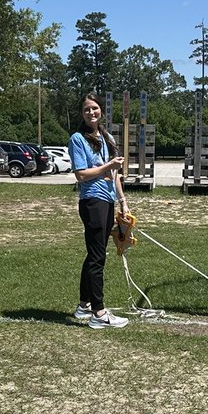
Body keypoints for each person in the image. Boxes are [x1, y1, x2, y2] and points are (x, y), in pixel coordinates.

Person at [68, 94, 130, 329]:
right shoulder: (77, 139)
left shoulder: (106, 136)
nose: (91, 113)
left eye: (94, 108)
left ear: (101, 110)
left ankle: (84, 305)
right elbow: (81, 174)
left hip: (108, 201)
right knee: (97, 257)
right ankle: (99, 313)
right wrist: (108, 166)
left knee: (95, 252)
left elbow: (114, 175)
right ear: (82, 114)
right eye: (86, 110)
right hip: (92, 201)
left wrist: (123, 201)